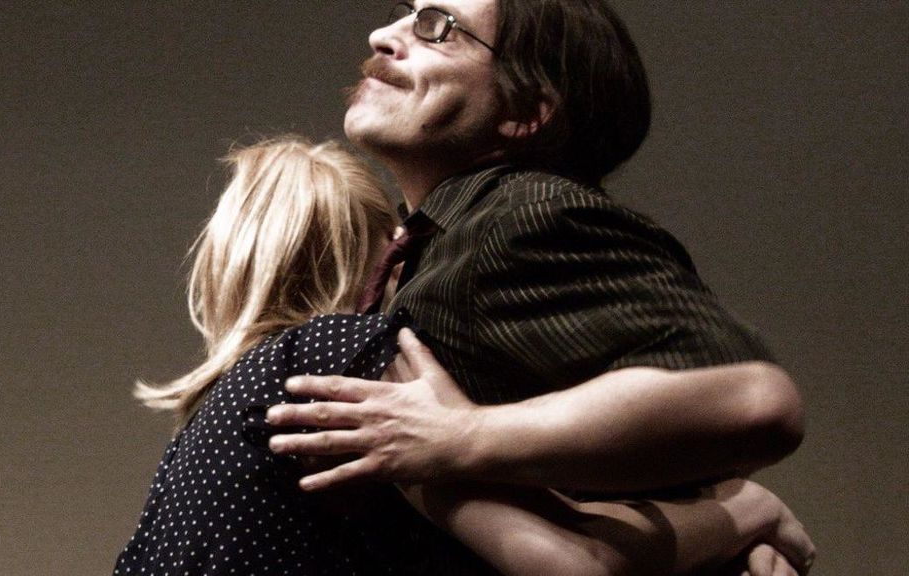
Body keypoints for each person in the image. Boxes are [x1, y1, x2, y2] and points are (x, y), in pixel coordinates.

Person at [264, 1, 815, 573]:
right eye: (404, 11)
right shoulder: (431, 249)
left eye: (437, 27)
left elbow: (756, 400)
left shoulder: (521, 216)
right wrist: (723, 511)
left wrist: (464, 436)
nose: (382, 36)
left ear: (525, 111)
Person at [113, 137, 812, 575]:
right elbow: (571, 564)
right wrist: (745, 510)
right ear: (385, 265)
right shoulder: (336, 359)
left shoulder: (203, 436)